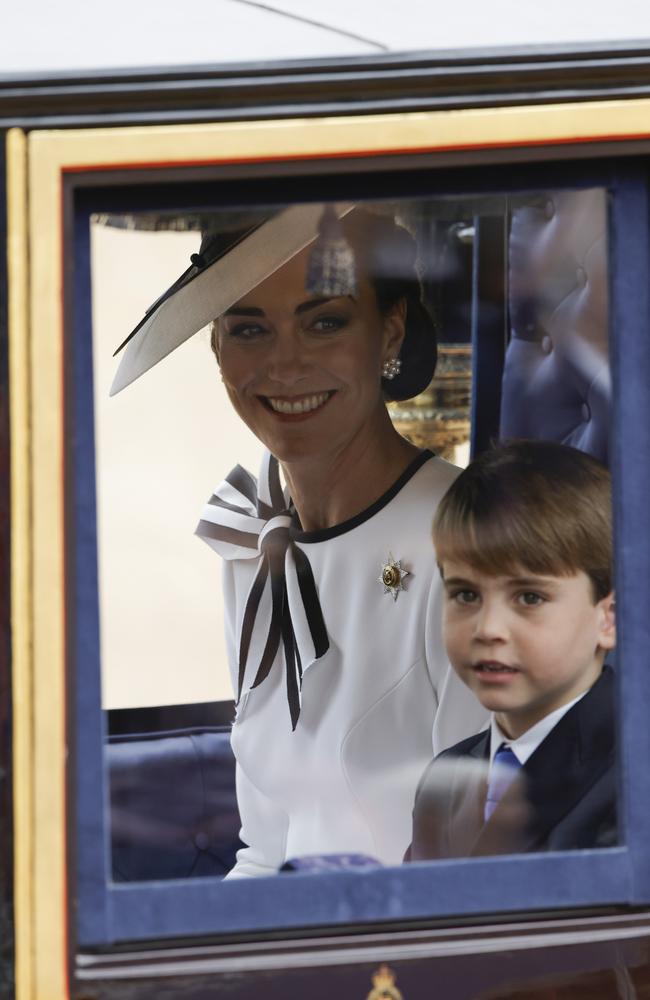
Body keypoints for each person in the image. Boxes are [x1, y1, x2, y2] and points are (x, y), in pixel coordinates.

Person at [190, 206, 487, 875]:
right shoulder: (252, 531)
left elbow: (474, 872)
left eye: (325, 321)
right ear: (215, 345)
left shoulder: (465, 542)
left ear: (390, 331)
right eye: (248, 328)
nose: (284, 364)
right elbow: (265, 848)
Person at [406, 439, 617, 862]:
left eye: (529, 598)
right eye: (466, 594)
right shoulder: (443, 779)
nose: (488, 629)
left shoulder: (633, 770)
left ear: (607, 618)